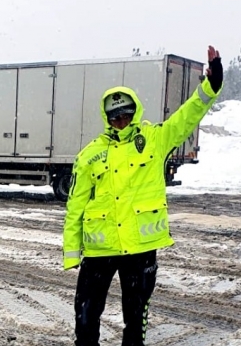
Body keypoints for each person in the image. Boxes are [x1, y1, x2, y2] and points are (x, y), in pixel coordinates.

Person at [63, 46, 224, 346]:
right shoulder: (89, 155)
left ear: (134, 112)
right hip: (100, 251)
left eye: (125, 115)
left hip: (140, 250)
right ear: (107, 117)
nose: (121, 121)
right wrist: (72, 251)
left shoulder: (154, 139)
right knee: (85, 319)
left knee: (135, 323)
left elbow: (186, 117)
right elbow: (76, 205)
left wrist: (210, 86)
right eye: (115, 117)